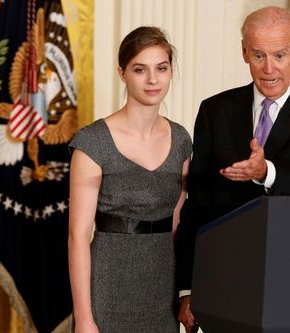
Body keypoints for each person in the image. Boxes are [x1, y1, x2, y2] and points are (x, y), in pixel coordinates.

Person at [175, 6, 290, 332]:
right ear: (244, 52)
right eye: (258, 55)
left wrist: (265, 171)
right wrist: (188, 288)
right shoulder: (215, 111)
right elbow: (197, 208)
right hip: (224, 286)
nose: (269, 68)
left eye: (280, 55)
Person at [68, 26, 192, 333]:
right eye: (140, 69)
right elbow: (78, 237)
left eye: (161, 68)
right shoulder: (92, 142)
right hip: (108, 283)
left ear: (170, 71)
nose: (153, 80)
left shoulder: (181, 140)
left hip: (163, 283)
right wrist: (84, 319)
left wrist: (187, 293)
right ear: (122, 73)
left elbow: (180, 224)